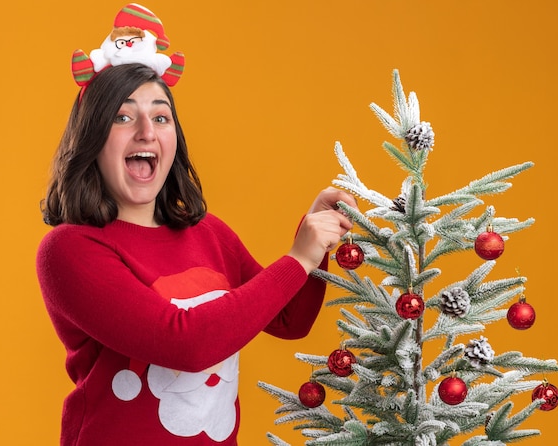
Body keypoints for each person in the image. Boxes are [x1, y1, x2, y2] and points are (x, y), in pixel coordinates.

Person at [36, 5, 357, 445]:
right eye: (123, 116)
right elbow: (188, 345)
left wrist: (316, 235)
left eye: (161, 116)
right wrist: (299, 257)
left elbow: (288, 318)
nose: (147, 131)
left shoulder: (209, 233)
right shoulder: (70, 250)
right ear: (92, 140)